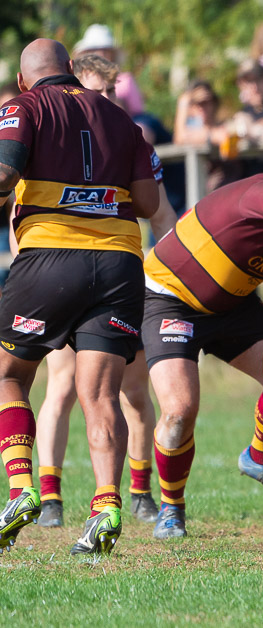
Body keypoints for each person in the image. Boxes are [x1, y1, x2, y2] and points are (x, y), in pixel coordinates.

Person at [0, 39, 162, 556]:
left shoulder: (22, 107)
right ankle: (107, 505)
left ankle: (22, 490)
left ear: (26, 80)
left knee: (9, 377)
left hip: (49, 260)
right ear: (71, 70)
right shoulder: (122, 120)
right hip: (119, 264)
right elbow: (149, 201)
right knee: (100, 394)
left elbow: (3, 175)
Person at [140, 173, 263, 539]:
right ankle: (171, 508)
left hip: (233, 305)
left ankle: (260, 458)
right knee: (179, 411)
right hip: (169, 298)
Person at [72, 24, 145, 115]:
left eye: (105, 50)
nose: (101, 54)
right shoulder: (79, 79)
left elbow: (138, 111)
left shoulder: (126, 80)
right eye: (96, 50)